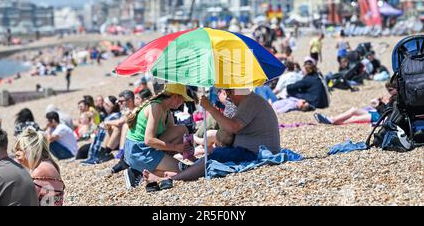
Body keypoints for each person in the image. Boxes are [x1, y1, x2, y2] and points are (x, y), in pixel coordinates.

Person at [142, 88, 280, 186]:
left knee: (211, 160)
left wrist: (210, 108)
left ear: (233, 91)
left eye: (229, 94)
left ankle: (171, 179)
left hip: (253, 153)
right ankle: (173, 175)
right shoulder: (250, 101)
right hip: (252, 150)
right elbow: (229, 131)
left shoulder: (250, 102)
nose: (229, 99)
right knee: (212, 156)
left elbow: (233, 127)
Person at [123, 84, 192, 188]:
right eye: (182, 99)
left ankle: (142, 171)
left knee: (182, 130)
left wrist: (189, 155)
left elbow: (173, 133)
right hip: (139, 151)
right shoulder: (156, 106)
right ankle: (140, 172)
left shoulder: (166, 109)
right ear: (175, 97)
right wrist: (176, 148)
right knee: (187, 171)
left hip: (142, 149)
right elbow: (149, 140)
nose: (183, 102)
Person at [13, 128, 65, 206]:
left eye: (20, 150)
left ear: (30, 151)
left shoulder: (40, 171)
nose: (17, 154)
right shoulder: (48, 163)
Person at [314, 81, 398, 125]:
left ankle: (332, 121)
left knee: (354, 119)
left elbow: (388, 112)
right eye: (388, 90)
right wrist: (380, 103)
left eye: (390, 90)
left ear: (397, 88)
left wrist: (384, 104)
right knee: (354, 110)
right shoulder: (393, 97)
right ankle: (332, 119)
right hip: (377, 113)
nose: (389, 92)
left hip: (379, 117)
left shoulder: (397, 99)